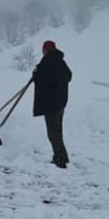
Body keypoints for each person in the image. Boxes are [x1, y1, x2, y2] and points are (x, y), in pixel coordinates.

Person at [33, 40, 72, 168]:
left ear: (45, 50)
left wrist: (36, 75)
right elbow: (68, 76)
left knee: (53, 134)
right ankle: (63, 157)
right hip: (60, 104)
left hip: (51, 105)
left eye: (43, 49)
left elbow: (45, 81)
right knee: (57, 132)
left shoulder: (48, 62)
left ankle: (60, 159)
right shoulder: (60, 62)